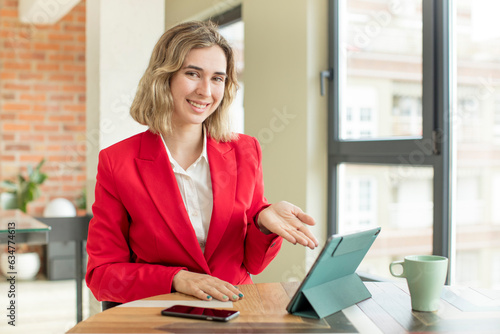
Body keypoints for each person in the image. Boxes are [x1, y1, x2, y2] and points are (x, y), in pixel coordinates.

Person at [85, 21, 318, 305]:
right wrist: (176, 279)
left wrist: (263, 223)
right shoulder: (117, 162)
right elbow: (102, 275)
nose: (206, 91)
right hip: (161, 312)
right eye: (193, 74)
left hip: (234, 310)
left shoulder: (245, 150)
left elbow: (252, 264)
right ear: (164, 77)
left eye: (217, 78)